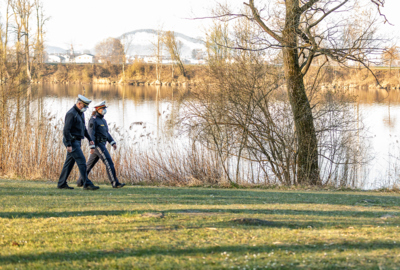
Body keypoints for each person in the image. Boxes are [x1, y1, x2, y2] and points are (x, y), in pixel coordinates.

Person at [77, 101, 126, 188]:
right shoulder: (93, 119)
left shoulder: (103, 120)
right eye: (103, 109)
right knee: (108, 162)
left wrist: (112, 142)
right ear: (98, 109)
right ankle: (115, 183)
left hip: (102, 144)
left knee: (89, 165)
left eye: (105, 109)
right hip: (97, 145)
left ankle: (80, 181)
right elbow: (91, 133)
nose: (104, 110)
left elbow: (106, 133)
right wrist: (91, 146)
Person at [57, 95, 100, 190]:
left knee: (69, 163)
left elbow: (83, 128)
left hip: (77, 141)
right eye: (84, 106)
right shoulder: (71, 113)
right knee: (81, 161)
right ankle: (87, 183)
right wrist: (68, 144)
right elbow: (66, 130)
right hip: (72, 141)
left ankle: (61, 183)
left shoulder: (81, 113)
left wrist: (89, 139)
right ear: (79, 103)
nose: (85, 108)